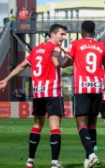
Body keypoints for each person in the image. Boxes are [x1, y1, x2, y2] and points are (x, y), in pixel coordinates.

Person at [0, 23, 68, 168]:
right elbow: (57, 61)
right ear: (52, 34)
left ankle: (30, 161)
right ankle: (55, 163)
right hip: (52, 91)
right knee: (54, 126)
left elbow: (20, 66)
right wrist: (71, 61)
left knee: (37, 124)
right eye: (61, 34)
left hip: (38, 93)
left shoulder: (36, 50)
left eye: (64, 34)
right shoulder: (55, 48)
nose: (63, 37)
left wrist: (6, 80)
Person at [63, 20, 105, 168]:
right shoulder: (101, 47)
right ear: (94, 31)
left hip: (82, 88)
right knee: (92, 124)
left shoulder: (76, 44)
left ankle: (91, 154)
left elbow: (64, 63)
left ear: (82, 31)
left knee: (81, 123)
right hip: (97, 89)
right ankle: (87, 160)